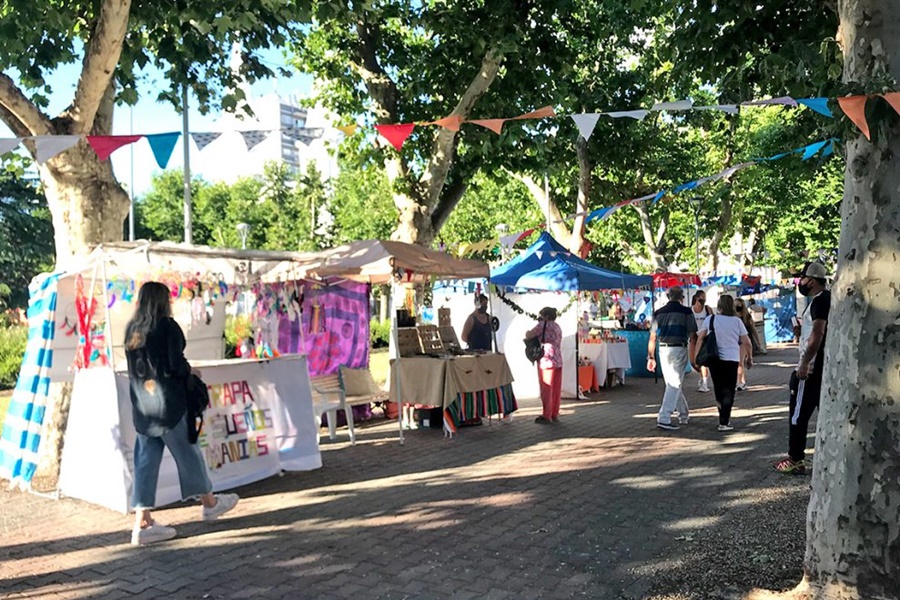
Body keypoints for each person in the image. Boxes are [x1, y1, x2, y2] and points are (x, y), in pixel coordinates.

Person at [125, 281, 239, 546]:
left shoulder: (133, 329)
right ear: (163, 301)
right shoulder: (166, 327)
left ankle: (142, 521)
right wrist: (191, 372)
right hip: (169, 405)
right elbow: (174, 365)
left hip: (143, 408)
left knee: (146, 462)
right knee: (188, 453)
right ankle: (210, 504)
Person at [775, 262, 831, 474]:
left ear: (813, 281)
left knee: (798, 415)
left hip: (811, 370)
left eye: (803, 278)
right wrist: (799, 333)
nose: (800, 282)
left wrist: (805, 362)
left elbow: (818, 333)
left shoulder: (819, 301)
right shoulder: (824, 300)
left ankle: (795, 458)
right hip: (821, 366)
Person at [693, 294, 753, 432]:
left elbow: (701, 338)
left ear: (719, 306)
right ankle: (725, 420)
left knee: (719, 388)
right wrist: (749, 357)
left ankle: (722, 417)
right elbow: (747, 342)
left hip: (715, 359)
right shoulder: (737, 321)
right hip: (732, 359)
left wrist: (696, 356)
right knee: (729, 390)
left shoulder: (710, 319)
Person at [646, 286, 697, 431]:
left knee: (672, 383)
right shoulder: (686, 312)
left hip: (663, 349)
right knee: (674, 383)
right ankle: (664, 417)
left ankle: (683, 414)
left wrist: (650, 357)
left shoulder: (658, 313)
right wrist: (695, 357)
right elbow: (693, 335)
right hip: (679, 348)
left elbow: (652, 337)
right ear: (682, 298)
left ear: (668, 297)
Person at [525, 307, 563, 424]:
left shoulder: (542, 325)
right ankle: (554, 413)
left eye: (541, 315)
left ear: (546, 316)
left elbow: (529, 335)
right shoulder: (557, 326)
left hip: (546, 359)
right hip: (558, 358)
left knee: (546, 388)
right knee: (556, 389)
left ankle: (547, 415)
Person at [690, 291, 714, 393]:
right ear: (696, 298)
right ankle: (701, 376)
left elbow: (713, 320)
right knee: (693, 362)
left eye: (704, 298)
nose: (703, 300)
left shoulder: (707, 309)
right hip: (694, 337)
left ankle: (705, 383)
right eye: (701, 298)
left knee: (703, 361)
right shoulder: (690, 310)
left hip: (705, 337)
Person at [733, 298, 759, 391]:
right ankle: (742, 380)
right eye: (735, 305)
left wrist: (757, 340)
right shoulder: (732, 316)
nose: (737, 307)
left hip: (743, 341)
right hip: (734, 340)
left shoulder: (746, 316)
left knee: (740, 362)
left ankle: (739, 382)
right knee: (739, 362)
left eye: (739, 305)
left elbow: (752, 328)